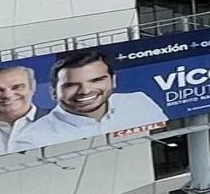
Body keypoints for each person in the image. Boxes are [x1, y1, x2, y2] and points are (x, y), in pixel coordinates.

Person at [11, 50, 167, 148]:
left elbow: (163, 137)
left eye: (96, 80)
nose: (85, 91)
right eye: (71, 85)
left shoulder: (138, 102)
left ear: (113, 81)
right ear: (53, 92)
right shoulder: (30, 140)